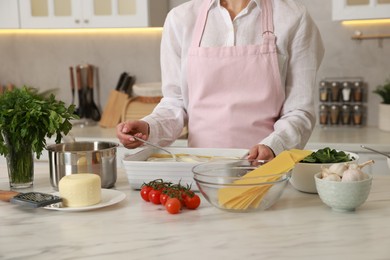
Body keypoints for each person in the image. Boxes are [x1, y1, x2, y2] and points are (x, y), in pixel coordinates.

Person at [117, 0, 324, 160]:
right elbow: (175, 103)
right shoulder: (180, 19)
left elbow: (299, 111)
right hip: (198, 170)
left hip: (267, 172)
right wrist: (148, 127)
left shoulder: (294, 18)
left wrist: (274, 146)